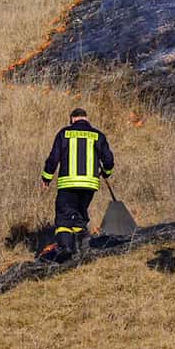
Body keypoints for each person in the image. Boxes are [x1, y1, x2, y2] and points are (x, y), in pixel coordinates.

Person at [41, 107, 115, 262]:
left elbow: (54, 158)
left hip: (68, 184)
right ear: (86, 118)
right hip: (89, 185)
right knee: (80, 215)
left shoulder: (64, 133)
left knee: (63, 218)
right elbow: (108, 160)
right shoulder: (97, 135)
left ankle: (66, 249)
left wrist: (46, 177)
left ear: (72, 119)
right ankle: (83, 249)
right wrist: (106, 173)